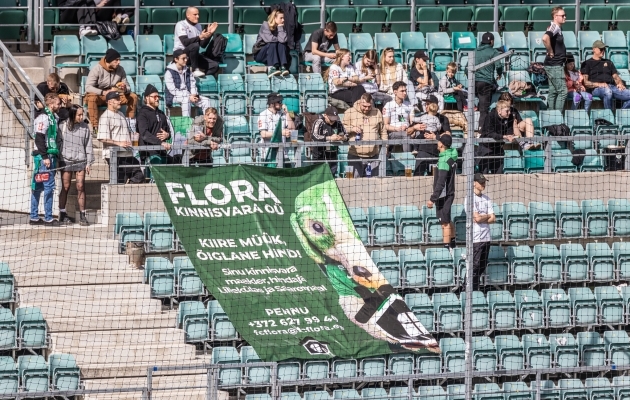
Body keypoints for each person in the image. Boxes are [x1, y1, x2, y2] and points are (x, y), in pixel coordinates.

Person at [84, 48, 137, 131]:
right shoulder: (97, 69)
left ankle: (130, 124)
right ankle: (95, 127)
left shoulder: (121, 69)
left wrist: (125, 88)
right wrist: (103, 92)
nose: (119, 62)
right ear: (109, 60)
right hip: (101, 96)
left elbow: (128, 87)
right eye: (116, 60)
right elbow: (88, 87)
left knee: (133, 97)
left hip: (115, 95)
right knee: (91, 97)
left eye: (119, 60)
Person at [58, 105, 94, 226]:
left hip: (80, 160)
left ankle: (83, 215)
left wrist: (88, 162)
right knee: (66, 187)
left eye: (82, 114)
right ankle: (62, 213)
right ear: (72, 114)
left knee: (80, 186)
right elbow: (58, 143)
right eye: (79, 115)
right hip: (66, 160)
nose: (81, 117)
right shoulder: (62, 126)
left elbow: (88, 146)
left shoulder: (85, 127)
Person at [98, 91, 144, 184]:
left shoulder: (121, 114)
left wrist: (132, 136)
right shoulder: (105, 117)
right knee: (118, 183)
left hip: (126, 153)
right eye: (117, 99)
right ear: (110, 102)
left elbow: (121, 133)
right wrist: (119, 143)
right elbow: (102, 138)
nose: (120, 101)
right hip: (115, 155)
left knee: (139, 176)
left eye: (119, 99)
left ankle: (127, 192)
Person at [30, 93, 62, 226]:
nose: (60, 105)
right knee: (47, 186)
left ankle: (34, 217)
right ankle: (48, 217)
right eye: (58, 103)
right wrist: (44, 157)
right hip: (44, 157)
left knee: (38, 186)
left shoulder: (53, 117)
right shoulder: (44, 117)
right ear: (52, 104)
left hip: (47, 155)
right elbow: (39, 137)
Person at [342, 93, 387, 177]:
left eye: (369, 106)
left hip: (374, 156)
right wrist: (352, 129)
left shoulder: (377, 112)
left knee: (374, 184)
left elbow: (383, 132)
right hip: (355, 155)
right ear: (359, 103)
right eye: (364, 106)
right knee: (354, 184)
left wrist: (386, 147)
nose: (367, 109)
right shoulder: (350, 112)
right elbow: (341, 129)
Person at [426, 134, 457, 255]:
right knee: (447, 219)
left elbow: (440, 183)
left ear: (441, 145)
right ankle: (453, 244)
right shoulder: (452, 154)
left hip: (443, 196)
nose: (437, 143)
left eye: (438, 141)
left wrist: (432, 199)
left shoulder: (443, 160)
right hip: (449, 194)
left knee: (444, 223)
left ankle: (446, 249)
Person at [464, 173, 495, 290]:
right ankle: (467, 288)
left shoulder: (487, 198)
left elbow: (493, 219)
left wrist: (484, 217)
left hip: (486, 237)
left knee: (482, 265)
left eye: (484, 182)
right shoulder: (470, 198)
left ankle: (473, 287)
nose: (483, 184)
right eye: (481, 182)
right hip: (475, 238)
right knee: (474, 265)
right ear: (474, 183)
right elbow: (476, 219)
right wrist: (487, 216)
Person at [581, 40, 630, 110]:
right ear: (594, 49)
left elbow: (616, 77)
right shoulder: (587, 63)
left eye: (604, 49)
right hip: (596, 89)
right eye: (601, 49)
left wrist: (620, 83)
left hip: (612, 86)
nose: (603, 51)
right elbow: (585, 82)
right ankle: (609, 116)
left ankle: (619, 114)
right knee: (608, 92)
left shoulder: (608, 62)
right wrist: (600, 84)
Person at [174, 7, 221, 78]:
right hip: (180, 54)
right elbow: (185, 42)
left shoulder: (199, 26)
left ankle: (192, 76)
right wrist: (199, 37)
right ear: (188, 15)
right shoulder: (180, 24)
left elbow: (202, 45)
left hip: (193, 55)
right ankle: (195, 69)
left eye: (198, 14)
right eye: (195, 14)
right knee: (194, 46)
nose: (198, 16)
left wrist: (209, 34)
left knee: (215, 66)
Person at [164, 49, 213, 117]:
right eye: (183, 58)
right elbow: (172, 90)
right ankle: (187, 125)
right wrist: (188, 96)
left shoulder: (187, 70)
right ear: (176, 59)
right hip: (174, 96)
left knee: (206, 100)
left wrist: (194, 94)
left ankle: (207, 122)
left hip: (189, 95)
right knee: (186, 100)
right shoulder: (169, 72)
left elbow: (192, 83)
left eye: (186, 58)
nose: (186, 60)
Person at [412, 95, 453, 176]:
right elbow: (408, 131)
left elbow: (448, 134)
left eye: (428, 104)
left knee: (437, 178)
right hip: (423, 150)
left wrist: (435, 136)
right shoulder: (422, 116)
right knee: (417, 176)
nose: (426, 106)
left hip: (437, 150)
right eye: (425, 104)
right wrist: (414, 127)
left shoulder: (442, 118)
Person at [474, 32, 503, 130]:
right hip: (485, 83)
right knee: (484, 110)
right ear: (491, 41)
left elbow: (466, 68)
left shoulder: (475, 51)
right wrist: (500, 73)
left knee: (481, 102)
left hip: (473, 84)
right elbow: (499, 66)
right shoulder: (493, 52)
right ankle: (482, 130)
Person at [478, 99, 517, 174]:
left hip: (498, 148)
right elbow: (490, 133)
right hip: (486, 148)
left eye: (509, 110)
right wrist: (504, 137)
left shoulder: (510, 117)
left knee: (498, 174)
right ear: (499, 111)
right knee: (483, 174)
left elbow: (509, 130)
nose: (509, 113)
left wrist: (510, 136)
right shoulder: (490, 116)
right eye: (507, 111)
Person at [137, 84, 172, 160]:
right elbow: (144, 134)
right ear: (147, 98)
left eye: (158, 97)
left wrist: (167, 135)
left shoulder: (161, 113)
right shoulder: (142, 114)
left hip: (161, 152)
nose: (157, 99)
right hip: (148, 153)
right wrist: (161, 142)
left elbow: (168, 131)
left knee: (178, 161)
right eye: (154, 97)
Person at [542, 7, 568, 111]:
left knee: (553, 91)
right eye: (562, 15)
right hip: (554, 65)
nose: (565, 17)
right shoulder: (554, 27)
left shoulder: (557, 28)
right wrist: (550, 50)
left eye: (565, 15)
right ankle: (557, 117)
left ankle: (551, 116)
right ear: (555, 17)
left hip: (554, 65)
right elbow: (545, 38)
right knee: (563, 91)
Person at [383, 81, 419, 153]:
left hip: (407, 129)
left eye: (405, 91)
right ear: (395, 92)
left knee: (419, 133)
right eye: (402, 91)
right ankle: (408, 158)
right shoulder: (388, 105)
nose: (405, 93)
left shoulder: (409, 105)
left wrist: (412, 129)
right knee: (406, 135)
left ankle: (418, 155)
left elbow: (412, 121)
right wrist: (397, 129)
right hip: (393, 132)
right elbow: (386, 125)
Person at [311, 106, 347, 176]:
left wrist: (341, 138)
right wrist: (329, 138)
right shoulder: (319, 122)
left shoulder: (338, 123)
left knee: (332, 177)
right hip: (319, 155)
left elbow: (346, 135)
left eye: (334, 119)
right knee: (318, 176)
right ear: (325, 115)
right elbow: (314, 136)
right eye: (331, 119)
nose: (333, 121)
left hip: (332, 154)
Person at [254, 9, 291, 78]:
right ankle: (271, 69)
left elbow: (283, 40)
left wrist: (280, 28)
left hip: (275, 55)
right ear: (274, 18)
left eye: (283, 18)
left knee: (282, 44)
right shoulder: (265, 25)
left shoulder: (281, 27)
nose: (283, 20)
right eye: (281, 18)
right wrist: (279, 39)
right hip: (261, 54)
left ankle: (283, 67)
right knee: (272, 43)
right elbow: (270, 39)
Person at [258, 93, 296, 159]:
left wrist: (287, 113)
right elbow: (263, 134)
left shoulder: (283, 114)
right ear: (272, 103)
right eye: (279, 102)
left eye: (281, 101)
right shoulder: (263, 114)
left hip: (283, 153)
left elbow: (292, 128)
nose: (281, 104)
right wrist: (281, 133)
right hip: (269, 154)